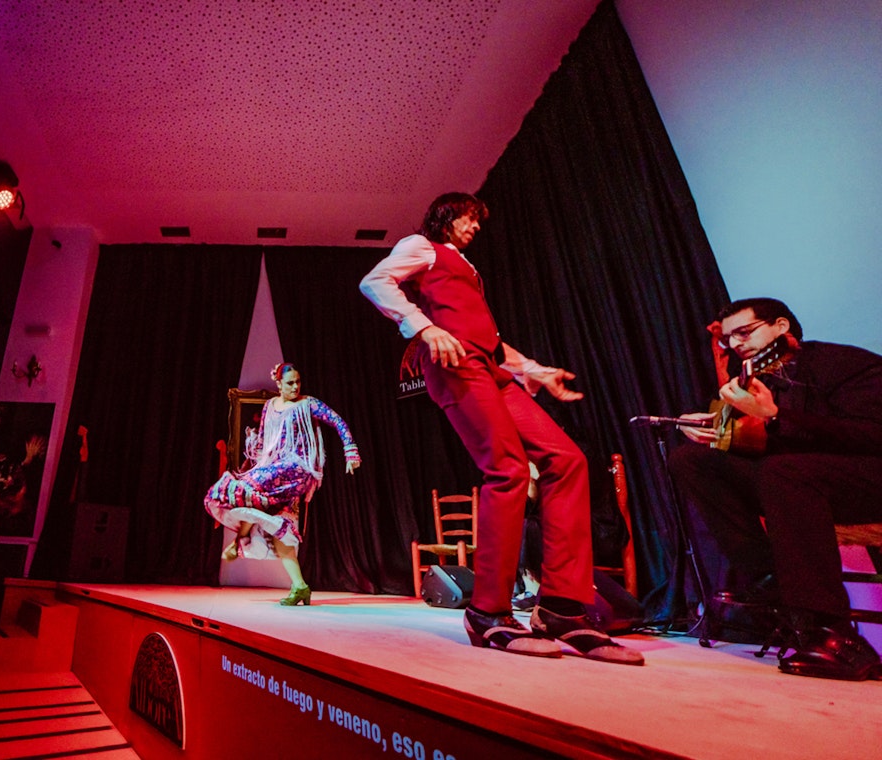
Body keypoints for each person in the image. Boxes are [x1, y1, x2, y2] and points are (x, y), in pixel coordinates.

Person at [360, 192, 642, 665]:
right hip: (454, 365)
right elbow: (375, 281)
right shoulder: (422, 247)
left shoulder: (468, 268)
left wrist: (531, 368)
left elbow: (487, 341)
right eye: (467, 219)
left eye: (477, 222)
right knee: (508, 469)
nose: (473, 227)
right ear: (444, 218)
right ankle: (487, 611)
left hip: (489, 367)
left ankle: (561, 609)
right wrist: (422, 327)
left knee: (567, 459)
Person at [669, 297, 882, 681]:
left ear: (781, 327)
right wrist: (718, 431)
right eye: (729, 339)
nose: (735, 345)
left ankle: (835, 635)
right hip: (805, 484)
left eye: (744, 333)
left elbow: (872, 435)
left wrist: (776, 417)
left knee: (784, 472)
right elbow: (778, 448)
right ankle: (770, 582)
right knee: (692, 460)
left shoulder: (844, 363)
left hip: (871, 477)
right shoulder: (763, 379)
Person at [204, 362, 361, 606]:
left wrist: (350, 452)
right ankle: (300, 586)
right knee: (281, 531)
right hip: (275, 471)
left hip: (296, 468)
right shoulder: (270, 406)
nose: (296, 386)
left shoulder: (308, 404)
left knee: (246, 489)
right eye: (290, 383)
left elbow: (338, 421)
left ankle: (239, 541)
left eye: (298, 381)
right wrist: (251, 457)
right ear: (278, 384)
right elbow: (266, 443)